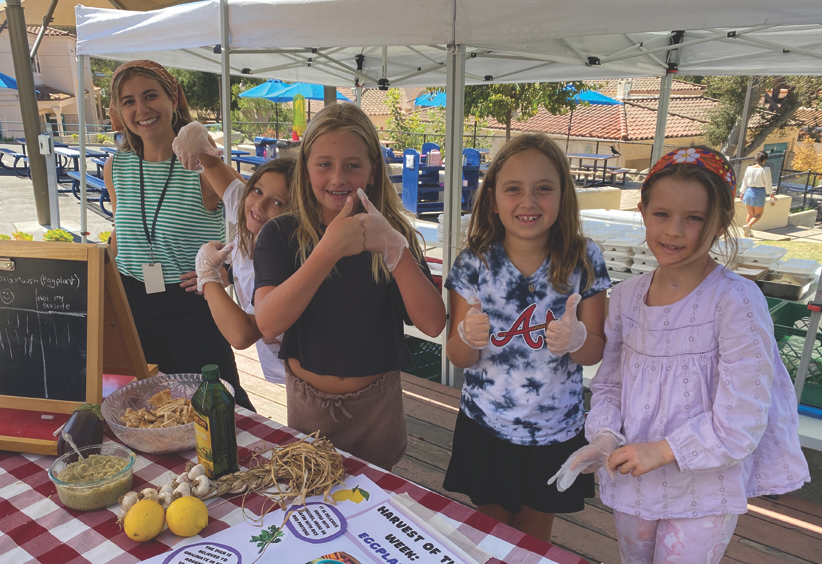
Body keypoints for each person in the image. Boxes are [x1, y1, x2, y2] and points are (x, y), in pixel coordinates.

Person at [550, 147, 810, 564]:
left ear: (721, 222)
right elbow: (612, 383)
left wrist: (663, 450)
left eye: (694, 218)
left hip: (705, 489)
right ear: (643, 210)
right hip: (633, 479)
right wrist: (603, 437)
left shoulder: (737, 301)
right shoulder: (629, 296)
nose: (674, 231)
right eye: (662, 215)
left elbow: (743, 418)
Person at [252, 103, 446, 470]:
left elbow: (433, 323)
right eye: (324, 164)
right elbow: (268, 323)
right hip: (308, 406)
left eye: (353, 165)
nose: (338, 178)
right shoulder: (279, 234)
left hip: (378, 406)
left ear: (373, 171)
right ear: (306, 168)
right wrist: (328, 250)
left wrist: (394, 249)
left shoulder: (394, 234)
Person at [443, 133, 611, 543]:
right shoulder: (473, 263)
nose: (528, 202)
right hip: (486, 428)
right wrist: (467, 335)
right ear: (493, 197)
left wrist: (577, 337)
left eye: (543, 189)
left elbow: (595, 352)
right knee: (492, 534)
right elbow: (458, 356)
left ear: (563, 195)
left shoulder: (585, 259)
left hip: (555, 432)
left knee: (535, 540)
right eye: (513, 189)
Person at [103, 60, 254, 411]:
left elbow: (259, 217)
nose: (141, 109)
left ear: (172, 98)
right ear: (119, 111)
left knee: (219, 404)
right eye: (128, 101)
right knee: (148, 406)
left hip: (191, 304)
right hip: (131, 303)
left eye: (150, 95)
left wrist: (225, 271)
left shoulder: (200, 164)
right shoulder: (116, 165)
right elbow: (121, 232)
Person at [172, 120, 295, 385]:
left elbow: (242, 334)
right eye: (258, 190)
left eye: (277, 202)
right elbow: (212, 163)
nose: (259, 205)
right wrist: (197, 132)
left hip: (305, 368)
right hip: (279, 360)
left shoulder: (281, 259)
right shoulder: (246, 206)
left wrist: (209, 276)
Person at [738, 150, 775, 237]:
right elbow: (768, 183)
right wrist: (771, 194)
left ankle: (748, 231)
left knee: (750, 213)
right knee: (758, 214)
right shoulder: (766, 169)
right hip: (760, 192)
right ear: (764, 159)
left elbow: (745, 181)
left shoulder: (749, 168)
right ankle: (748, 226)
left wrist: (742, 192)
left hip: (749, 191)